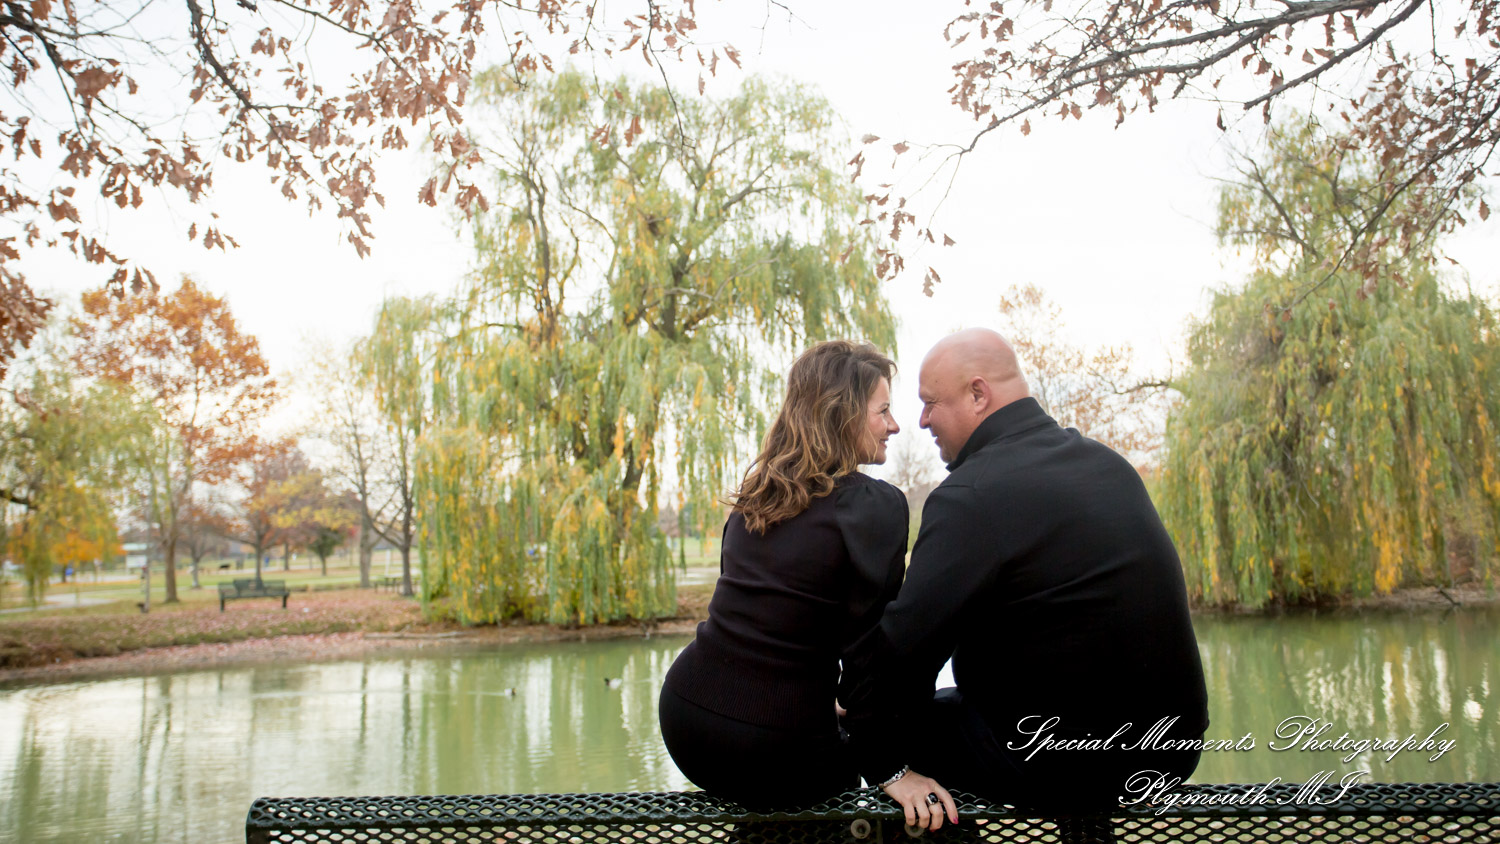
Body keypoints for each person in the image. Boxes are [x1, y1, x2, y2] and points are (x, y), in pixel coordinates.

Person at [840, 327, 1209, 812]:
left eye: (930, 403)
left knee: (864, 733)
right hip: (1173, 749)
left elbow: (905, 649)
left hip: (1060, 757)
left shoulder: (973, 494)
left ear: (978, 394)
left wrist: (859, 715)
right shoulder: (1106, 464)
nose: (923, 421)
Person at [659, 340, 959, 827]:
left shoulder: (755, 497)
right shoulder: (873, 506)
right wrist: (891, 769)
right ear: (842, 414)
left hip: (685, 718)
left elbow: (765, 626)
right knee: (850, 789)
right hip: (774, 744)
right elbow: (872, 652)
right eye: (883, 411)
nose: (895, 425)